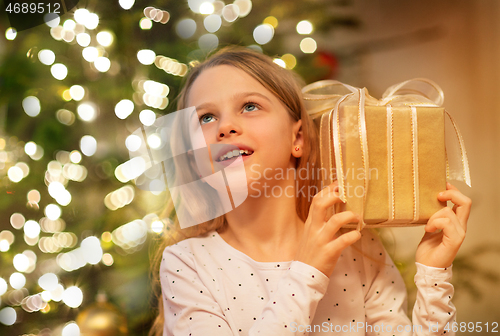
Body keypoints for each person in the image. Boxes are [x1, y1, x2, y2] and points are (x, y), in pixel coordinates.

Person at [149, 46, 471, 336]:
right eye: (206, 117)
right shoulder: (186, 264)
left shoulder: (357, 249)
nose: (225, 126)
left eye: (249, 106)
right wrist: (307, 272)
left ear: (298, 138)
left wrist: (433, 275)